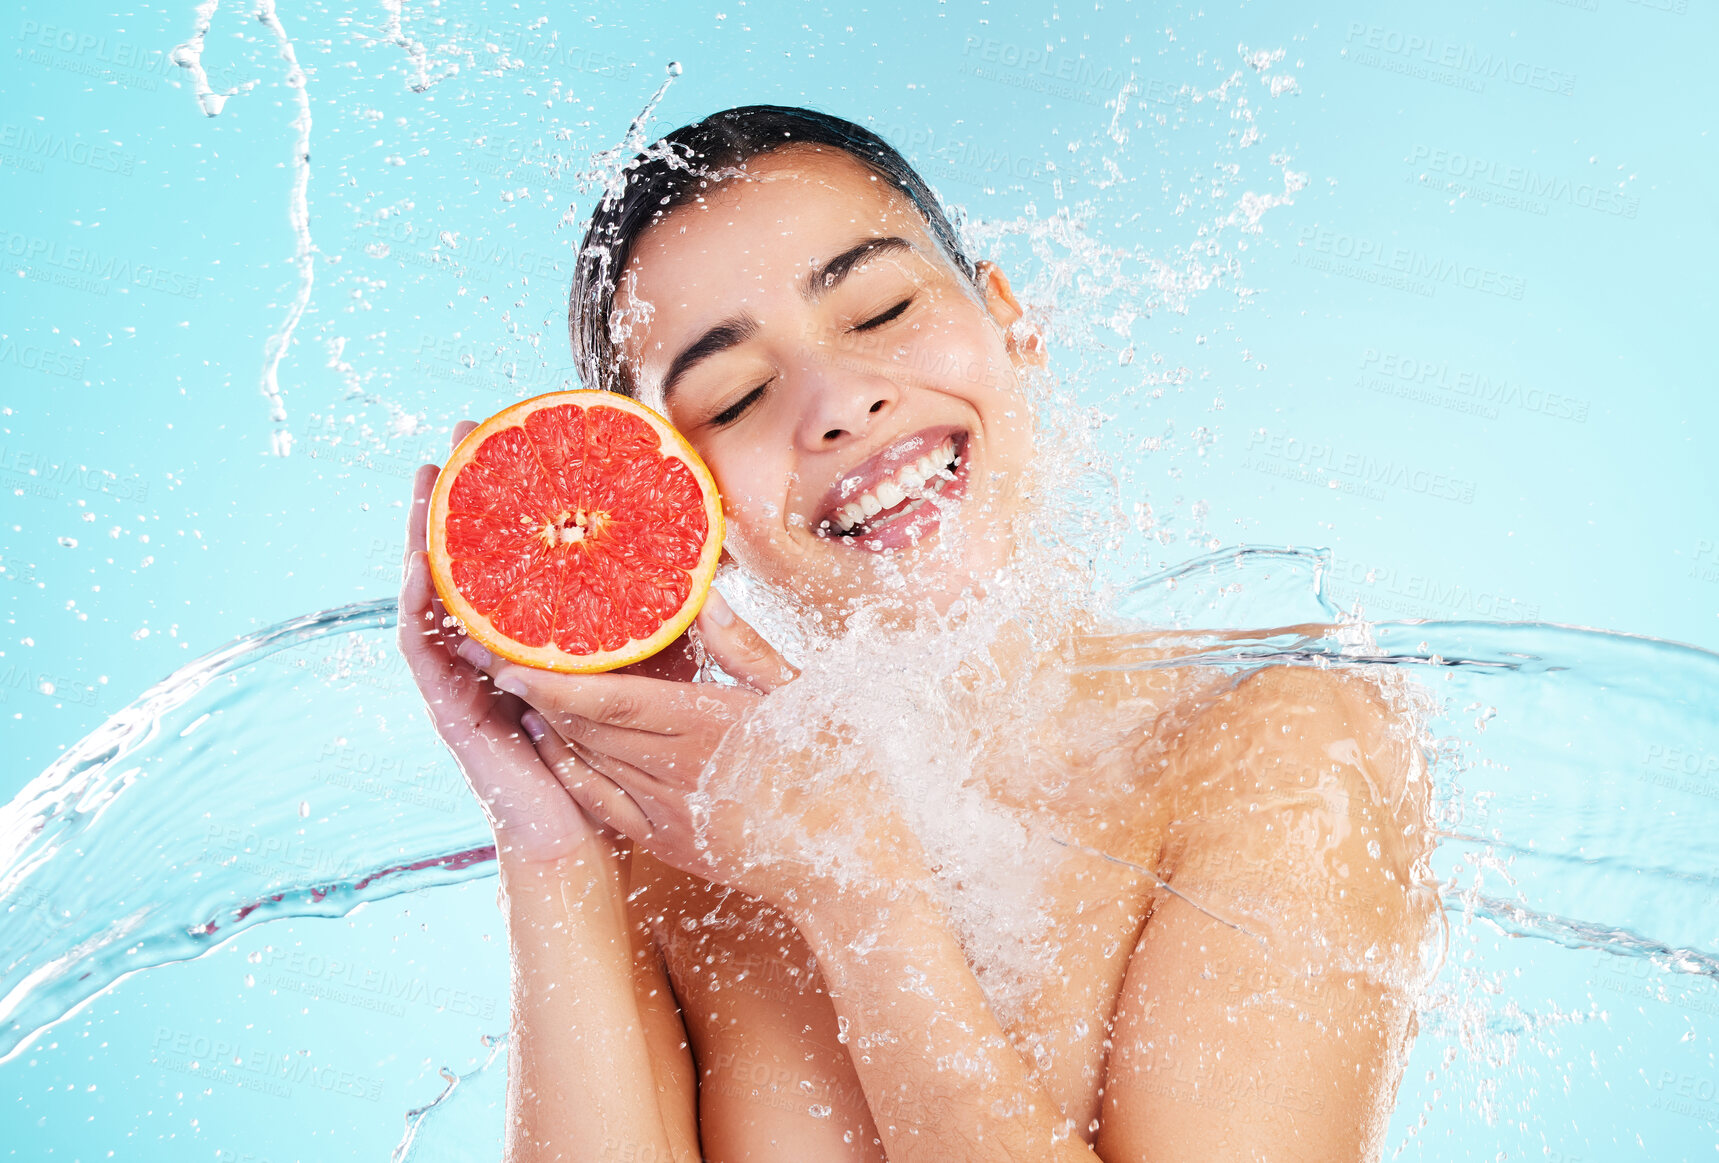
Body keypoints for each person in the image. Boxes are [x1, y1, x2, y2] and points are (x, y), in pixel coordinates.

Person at [398, 105, 1436, 1163]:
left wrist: (856, 880)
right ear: (682, 515)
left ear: (1011, 322)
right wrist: (549, 837)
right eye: (740, 393)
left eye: (882, 306)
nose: (840, 401)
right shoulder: (681, 851)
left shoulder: (1289, 747)